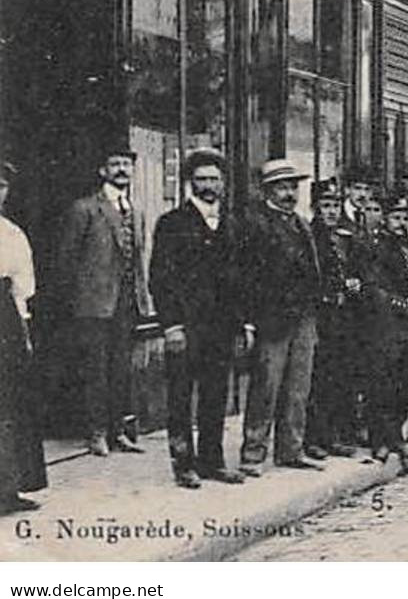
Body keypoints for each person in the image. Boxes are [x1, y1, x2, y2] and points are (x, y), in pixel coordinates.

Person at [149, 148, 248, 488]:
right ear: (191, 183)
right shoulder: (173, 223)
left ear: (223, 183)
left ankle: (213, 461)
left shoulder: (233, 224)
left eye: (214, 179)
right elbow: (160, 278)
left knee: (215, 393)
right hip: (187, 326)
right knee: (181, 396)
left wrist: (242, 324)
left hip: (221, 327)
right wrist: (171, 325)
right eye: (202, 179)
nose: (208, 185)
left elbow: (242, 279)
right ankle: (184, 465)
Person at [239, 159, 328, 476]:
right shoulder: (255, 223)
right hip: (272, 318)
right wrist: (249, 320)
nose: (289, 193)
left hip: (304, 316)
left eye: (293, 187)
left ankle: (291, 449)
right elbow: (247, 276)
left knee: (298, 387)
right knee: (266, 386)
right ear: (268, 190)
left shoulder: (302, 224)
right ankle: (253, 453)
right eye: (282, 187)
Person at [59, 147, 146, 457]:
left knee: (121, 369)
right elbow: (67, 260)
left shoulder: (134, 210)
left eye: (126, 164)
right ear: (102, 171)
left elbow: (137, 259)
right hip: (93, 304)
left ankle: (118, 431)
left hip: (125, 302)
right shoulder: (85, 208)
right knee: (95, 369)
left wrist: (142, 299)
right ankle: (96, 432)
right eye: (115, 163)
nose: (122, 169)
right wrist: (76, 300)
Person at [361, 194, 408, 469]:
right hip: (386, 327)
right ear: (385, 219)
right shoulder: (376, 247)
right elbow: (373, 288)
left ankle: (397, 435)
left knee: (404, 384)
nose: (400, 223)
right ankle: (380, 439)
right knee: (382, 385)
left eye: (404, 218)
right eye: (395, 218)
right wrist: (401, 305)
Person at [305, 179, 364, 460]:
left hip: (344, 318)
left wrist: (354, 283)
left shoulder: (344, 238)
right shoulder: (309, 235)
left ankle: (334, 436)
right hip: (320, 317)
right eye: (326, 206)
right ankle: (314, 438)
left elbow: (354, 270)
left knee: (339, 377)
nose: (331, 211)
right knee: (318, 379)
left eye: (335, 206)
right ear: (316, 208)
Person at [0, 161, 46, 514]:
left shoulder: (12, 234)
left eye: (1, 187)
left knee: (10, 404)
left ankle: (8, 489)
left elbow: (21, 291)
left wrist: (24, 335)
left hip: (5, 321)